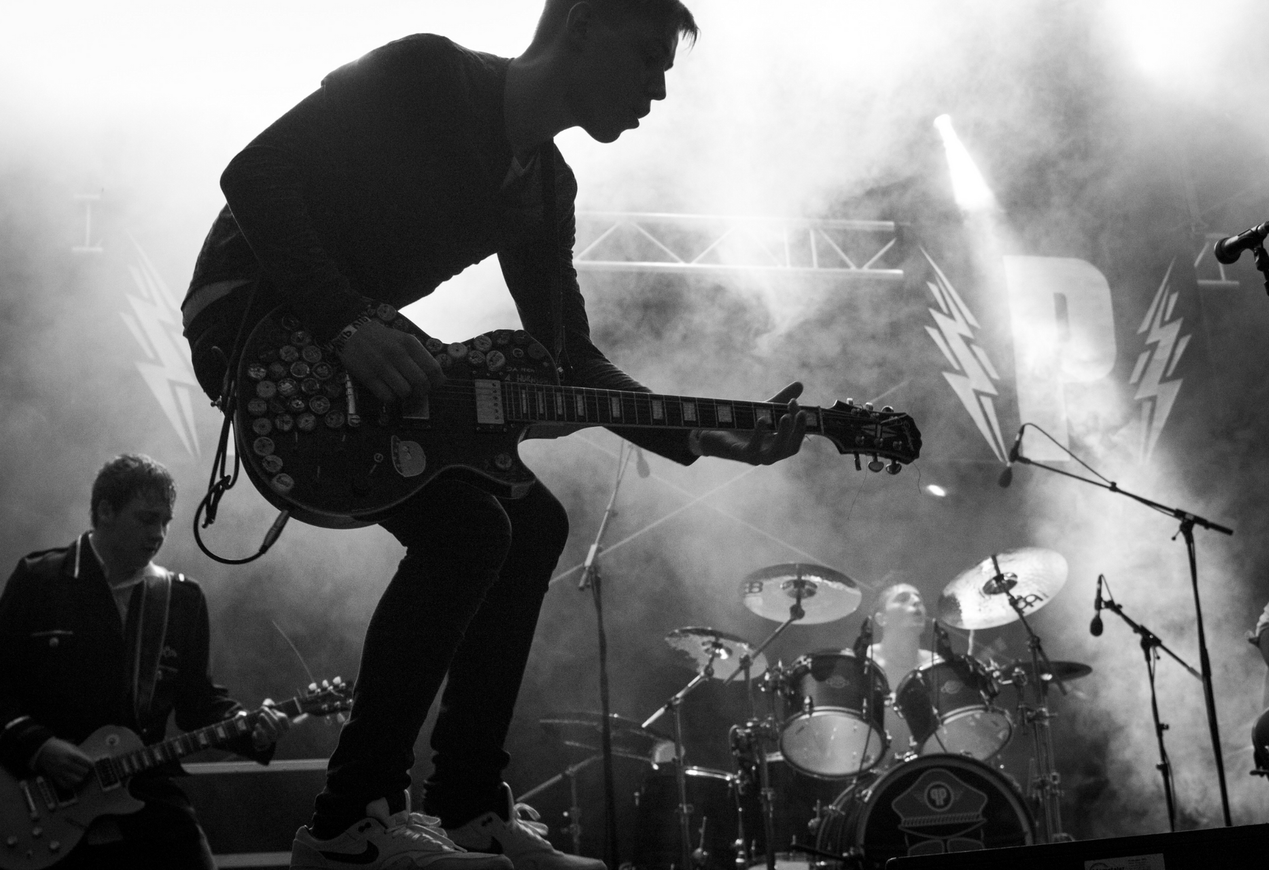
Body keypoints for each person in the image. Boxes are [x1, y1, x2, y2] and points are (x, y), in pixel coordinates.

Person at [180, 2, 809, 869]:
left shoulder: (545, 187)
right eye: (647, 58)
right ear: (580, 26)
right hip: (253, 318)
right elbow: (252, 176)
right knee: (469, 528)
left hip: (361, 342)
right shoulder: (428, 74)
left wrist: (704, 432)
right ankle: (345, 821)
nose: (659, 90)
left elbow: (568, 356)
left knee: (533, 525)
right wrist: (345, 324)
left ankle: (468, 804)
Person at [0, 454, 291, 870]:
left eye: (166, 521)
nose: (158, 534)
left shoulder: (182, 598)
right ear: (105, 511)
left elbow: (199, 703)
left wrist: (254, 732)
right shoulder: (40, 579)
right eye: (146, 519)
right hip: (38, 793)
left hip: (144, 788)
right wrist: (39, 747)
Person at [866, 582, 938, 765]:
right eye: (903, 599)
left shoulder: (935, 665)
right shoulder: (863, 663)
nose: (916, 602)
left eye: (919, 599)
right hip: (873, 777)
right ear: (882, 619)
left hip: (930, 770)